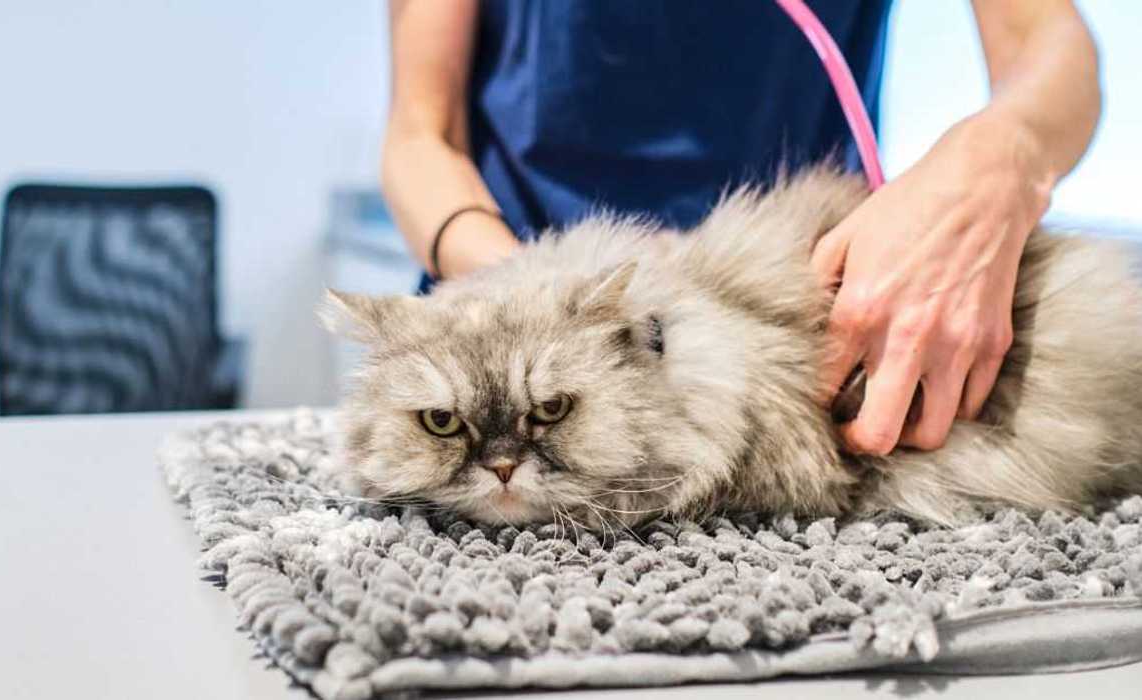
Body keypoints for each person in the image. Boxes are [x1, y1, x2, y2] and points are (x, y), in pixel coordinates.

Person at [380, 1, 1101, 457]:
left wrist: (997, 158)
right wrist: (527, 298)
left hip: (801, 330)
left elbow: (1049, 45)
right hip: (514, 294)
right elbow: (419, 138)